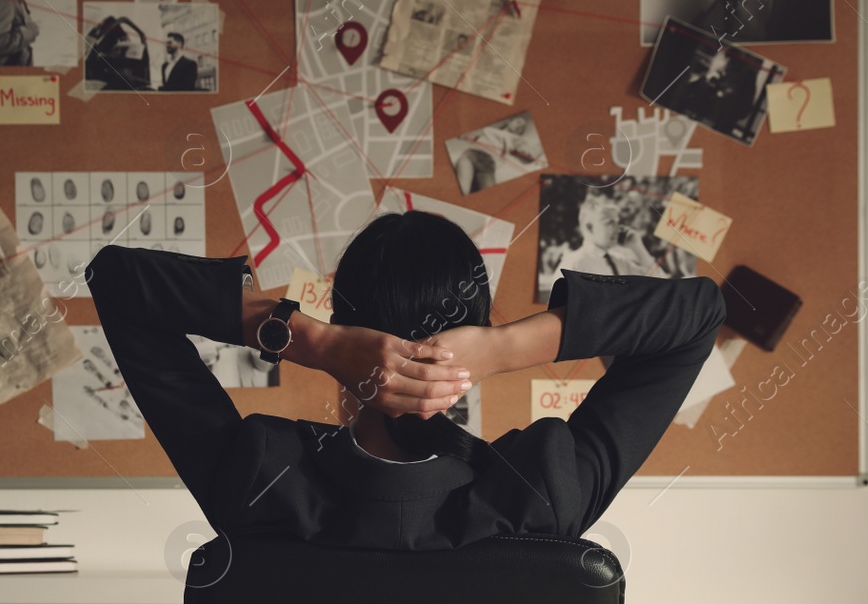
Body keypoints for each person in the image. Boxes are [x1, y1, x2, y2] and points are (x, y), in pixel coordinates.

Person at [88, 210, 724, 549]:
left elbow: (117, 281)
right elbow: (698, 317)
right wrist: (505, 348)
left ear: (347, 323)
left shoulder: (259, 475)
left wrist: (314, 341)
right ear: (474, 324)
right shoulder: (544, 490)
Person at [556, 194, 653, 278]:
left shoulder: (621, 262)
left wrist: (638, 248)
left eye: (617, 222)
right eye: (610, 223)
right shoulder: (573, 266)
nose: (618, 228)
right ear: (590, 227)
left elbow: (660, 285)